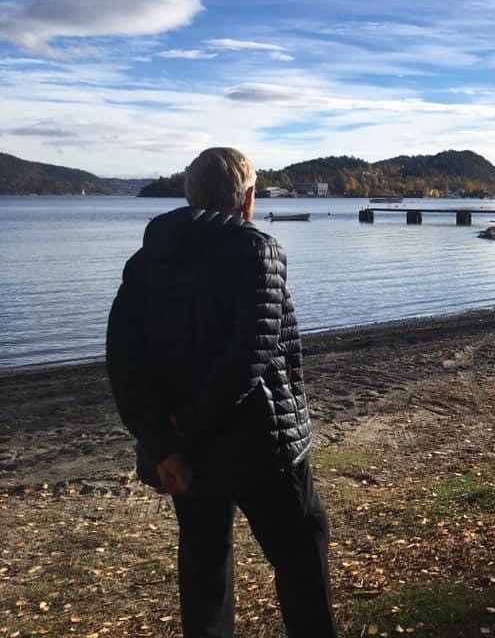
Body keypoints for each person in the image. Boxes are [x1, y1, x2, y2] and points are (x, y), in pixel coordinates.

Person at [106, 147, 337, 638]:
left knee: (205, 569)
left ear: (189, 195)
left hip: (185, 454)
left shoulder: (147, 261)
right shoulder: (258, 249)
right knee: (301, 554)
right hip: (263, 446)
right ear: (248, 198)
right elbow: (250, 357)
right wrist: (175, 435)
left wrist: (167, 446)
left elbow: (125, 364)